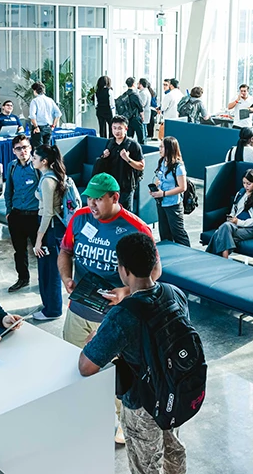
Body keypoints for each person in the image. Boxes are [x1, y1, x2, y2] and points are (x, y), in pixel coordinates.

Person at [79, 232, 187, 474]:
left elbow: (86, 366)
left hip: (142, 403)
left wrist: (94, 338)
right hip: (174, 392)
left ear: (123, 270)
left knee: (145, 465)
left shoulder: (123, 314)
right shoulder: (174, 293)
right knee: (173, 450)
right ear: (154, 263)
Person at [59, 173, 154, 444]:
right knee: (74, 363)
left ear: (115, 197)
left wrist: (125, 291)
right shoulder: (79, 219)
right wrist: (67, 278)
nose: (92, 203)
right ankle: (81, 414)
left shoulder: (136, 227)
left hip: (115, 317)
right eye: (89, 197)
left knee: (117, 372)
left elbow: (154, 270)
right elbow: (65, 252)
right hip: (79, 309)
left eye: (98, 199)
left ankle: (118, 422)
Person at [32, 144, 68, 321]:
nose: (32, 159)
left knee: (49, 269)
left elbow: (47, 212)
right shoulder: (50, 176)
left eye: (34, 157)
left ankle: (52, 309)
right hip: (53, 226)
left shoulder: (47, 181)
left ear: (44, 161)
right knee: (48, 267)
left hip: (50, 227)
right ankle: (50, 304)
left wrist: (38, 239)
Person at [4, 134, 40, 292]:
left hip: (35, 215)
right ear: (13, 151)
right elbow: (8, 191)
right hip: (17, 214)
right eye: (18, 149)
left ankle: (43, 280)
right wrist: (8, 210)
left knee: (40, 250)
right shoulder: (12, 167)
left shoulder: (37, 166)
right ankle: (23, 278)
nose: (22, 151)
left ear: (30, 148)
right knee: (19, 251)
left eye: (25, 147)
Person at [205, 169, 253, 258]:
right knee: (225, 229)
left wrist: (238, 222)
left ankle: (216, 258)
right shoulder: (240, 193)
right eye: (244, 183)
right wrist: (231, 218)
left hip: (250, 228)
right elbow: (234, 211)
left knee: (220, 233)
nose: (246, 186)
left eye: (249, 184)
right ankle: (223, 259)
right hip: (234, 225)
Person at [97, 115, 146, 211]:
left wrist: (127, 159)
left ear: (126, 129)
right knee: (110, 213)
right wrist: (104, 156)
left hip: (126, 186)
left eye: (120, 128)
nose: (117, 131)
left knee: (125, 214)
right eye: (114, 128)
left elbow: (141, 166)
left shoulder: (133, 145)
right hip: (110, 185)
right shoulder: (110, 142)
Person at [152, 136, 190, 246]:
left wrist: (163, 193)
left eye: (162, 147)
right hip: (161, 203)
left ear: (169, 148)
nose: (160, 149)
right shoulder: (162, 162)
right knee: (164, 233)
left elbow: (182, 187)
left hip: (173, 204)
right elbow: (160, 179)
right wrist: (156, 187)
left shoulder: (178, 167)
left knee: (178, 233)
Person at [28, 82, 61, 147]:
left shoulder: (35, 101)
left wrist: (36, 127)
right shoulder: (50, 100)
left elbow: (32, 116)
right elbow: (58, 114)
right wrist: (53, 125)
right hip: (48, 127)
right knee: (47, 149)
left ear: (35, 91)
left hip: (38, 128)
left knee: (39, 150)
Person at [117, 77, 146, 143]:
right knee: (141, 137)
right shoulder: (135, 95)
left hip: (128, 119)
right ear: (133, 84)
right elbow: (140, 107)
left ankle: (130, 151)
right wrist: (142, 117)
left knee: (129, 138)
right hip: (136, 118)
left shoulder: (124, 95)